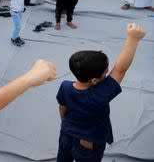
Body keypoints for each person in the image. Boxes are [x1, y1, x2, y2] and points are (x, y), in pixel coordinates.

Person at [56, 23, 145, 161]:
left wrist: (67, 124)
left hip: (66, 133)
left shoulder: (65, 86)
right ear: (94, 81)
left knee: (63, 158)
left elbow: (62, 108)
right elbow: (120, 70)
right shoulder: (99, 96)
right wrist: (133, 39)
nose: (108, 74)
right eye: (106, 73)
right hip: (88, 143)